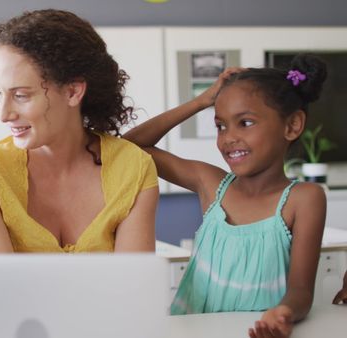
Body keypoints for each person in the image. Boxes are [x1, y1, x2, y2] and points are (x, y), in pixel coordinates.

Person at [124, 55, 327, 338]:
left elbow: (301, 291)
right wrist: (201, 101)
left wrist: (284, 313)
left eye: (245, 122)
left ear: (292, 125)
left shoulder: (304, 198)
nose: (228, 137)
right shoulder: (211, 184)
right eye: (220, 125)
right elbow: (130, 148)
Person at [0, 9, 158, 253]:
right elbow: (1, 288)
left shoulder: (133, 168)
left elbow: (133, 284)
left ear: (73, 92)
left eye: (20, 95)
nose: (3, 114)